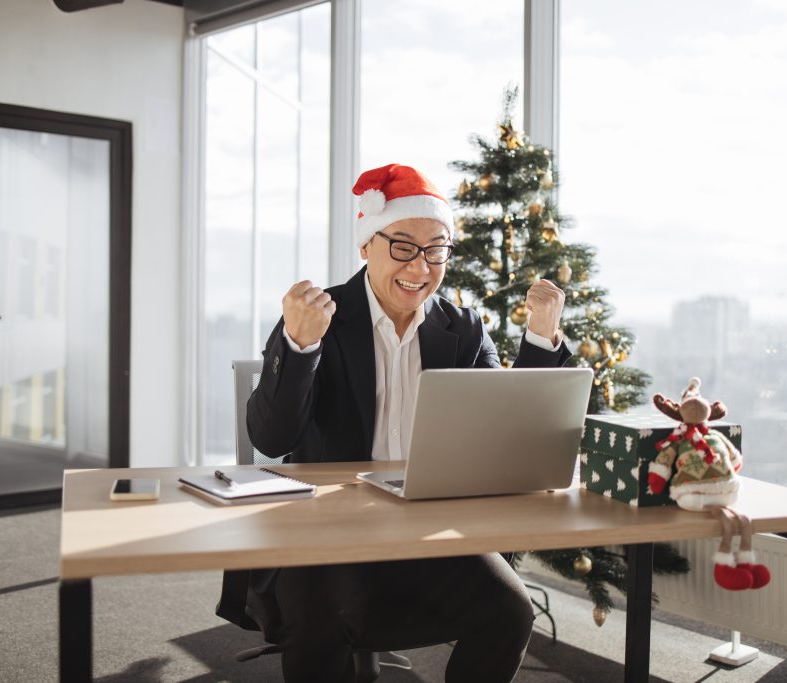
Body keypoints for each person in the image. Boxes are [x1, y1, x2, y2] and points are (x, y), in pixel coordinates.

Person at [217, 163, 571, 683]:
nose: (420, 266)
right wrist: (300, 345)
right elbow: (271, 438)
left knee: (510, 611)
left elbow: (512, 429)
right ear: (367, 245)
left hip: (428, 525)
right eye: (403, 246)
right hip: (326, 532)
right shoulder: (321, 317)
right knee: (322, 623)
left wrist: (541, 338)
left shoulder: (463, 329)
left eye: (436, 250)